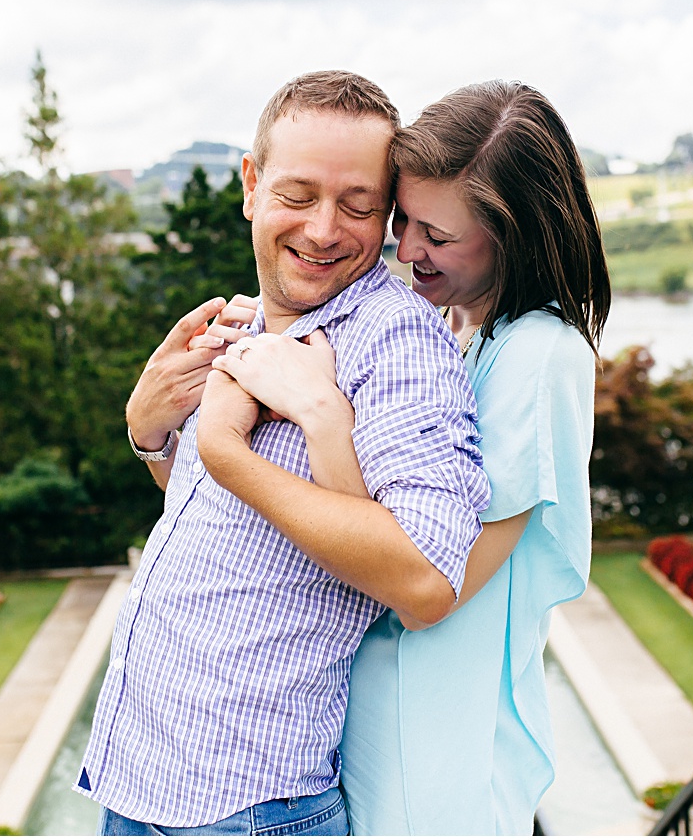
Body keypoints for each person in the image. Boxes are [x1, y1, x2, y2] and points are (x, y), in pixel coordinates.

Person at [76, 70, 491, 836]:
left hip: (248, 809)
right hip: (143, 788)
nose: (326, 229)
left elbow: (426, 579)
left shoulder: (393, 339)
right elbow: (230, 532)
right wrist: (148, 433)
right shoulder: (246, 326)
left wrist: (223, 444)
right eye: (298, 196)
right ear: (251, 183)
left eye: (360, 205)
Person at [211, 80, 609, 834]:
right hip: (371, 731)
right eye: (402, 220)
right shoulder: (462, 333)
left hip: (432, 754)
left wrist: (322, 414)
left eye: (439, 234)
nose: (406, 249)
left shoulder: (540, 357)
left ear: (514, 233)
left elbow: (427, 586)